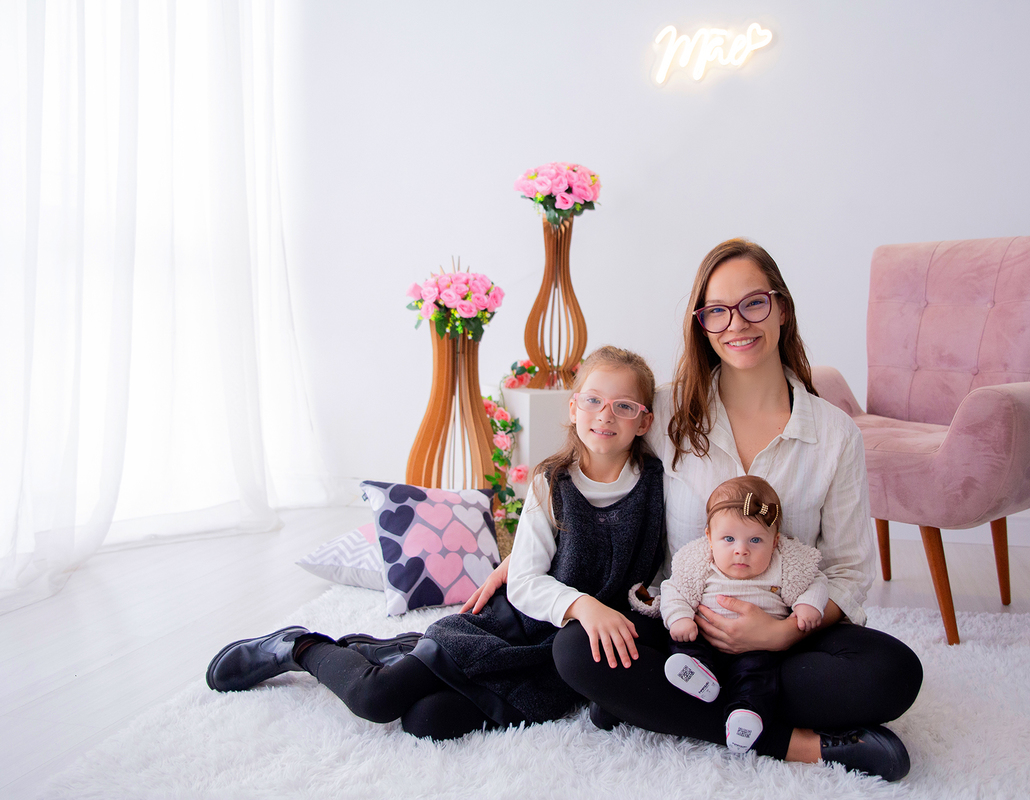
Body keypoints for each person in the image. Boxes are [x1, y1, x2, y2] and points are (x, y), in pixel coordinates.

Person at [465, 239, 923, 781]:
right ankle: (799, 744)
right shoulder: (664, 409)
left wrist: (779, 635)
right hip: (681, 632)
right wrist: (528, 550)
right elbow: (596, 458)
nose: (737, 324)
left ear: (780, 308)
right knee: (577, 651)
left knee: (893, 673)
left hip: (787, 633)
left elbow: (848, 571)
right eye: (716, 312)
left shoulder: (834, 434)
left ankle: (656, 705)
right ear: (701, 324)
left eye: (754, 303)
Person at [205, 346, 665, 741]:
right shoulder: (552, 482)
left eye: (624, 406)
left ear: (644, 421)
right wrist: (581, 605)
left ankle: (396, 648)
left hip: (560, 655)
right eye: (593, 400)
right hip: (515, 626)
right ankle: (298, 646)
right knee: (377, 698)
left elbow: (657, 576)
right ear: (572, 408)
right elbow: (523, 581)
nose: (606, 415)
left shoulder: (655, 486)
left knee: (428, 721)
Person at [655, 475, 827, 754]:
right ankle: (697, 675)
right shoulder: (700, 561)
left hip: (758, 648)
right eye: (729, 538)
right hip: (705, 640)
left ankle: (745, 716)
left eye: (756, 540)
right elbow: (675, 589)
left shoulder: (784, 564)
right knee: (682, 643)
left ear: (775, 542)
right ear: (709, 538)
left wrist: (808, 606)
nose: (741, 550)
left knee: (759, 677)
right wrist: (680, 618)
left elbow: (816, 581)